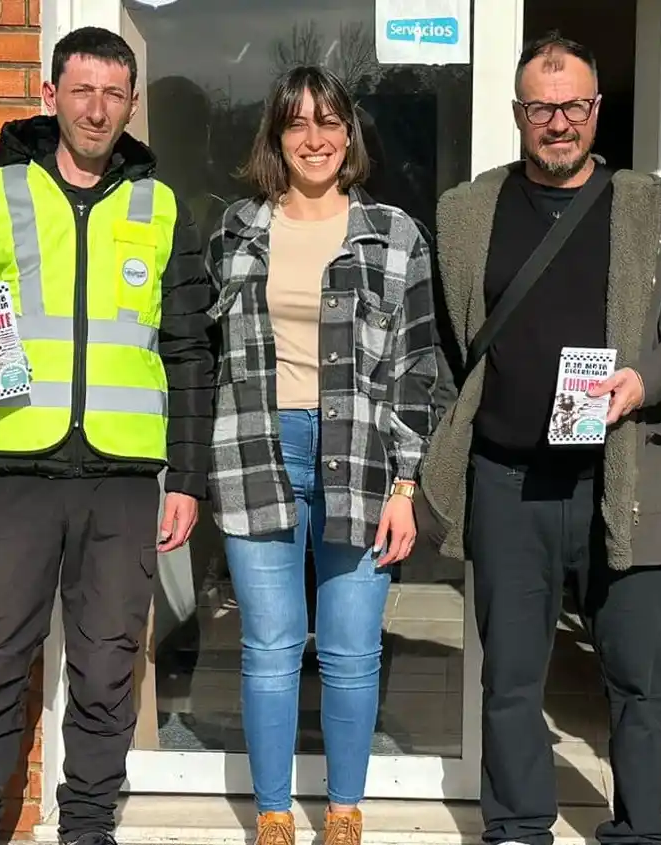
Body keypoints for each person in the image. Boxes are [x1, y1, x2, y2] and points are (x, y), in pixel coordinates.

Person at [417, 32, 661, 845]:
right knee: (512, 679)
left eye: (575, 106)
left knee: (639, 678)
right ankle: (518, 825)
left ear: (597, 110)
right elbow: (449, 346)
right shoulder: (464, 212)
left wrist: (644, 380)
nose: (559, 123)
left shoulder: (653, 212)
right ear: (518, 113)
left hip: (624, 475)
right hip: (509, 479)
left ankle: (639, 828)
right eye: (542, 108)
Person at [0, 27, 214, 845]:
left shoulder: (161, 207)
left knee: (109, 671)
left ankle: (87, 829)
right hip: (16, 471)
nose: (97, 108)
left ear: (131, 103)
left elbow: (191, 351)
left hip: (120, 478)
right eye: (82, 91)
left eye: (115, 94)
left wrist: (186, 475)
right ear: (50, 96)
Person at [203, 65, 437, 845]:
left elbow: (417, 369)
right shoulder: (236, 232)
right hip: (257, 449)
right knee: (268, 646)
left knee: (349, 649)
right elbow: (208, 356)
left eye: (330, 121)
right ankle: (273, 814)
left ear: (350, 134)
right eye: (298, 123)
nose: (316, 138)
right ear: (276, 137)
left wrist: (407, 482)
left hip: (362, 458)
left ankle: (343, 811)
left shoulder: (395, 235)